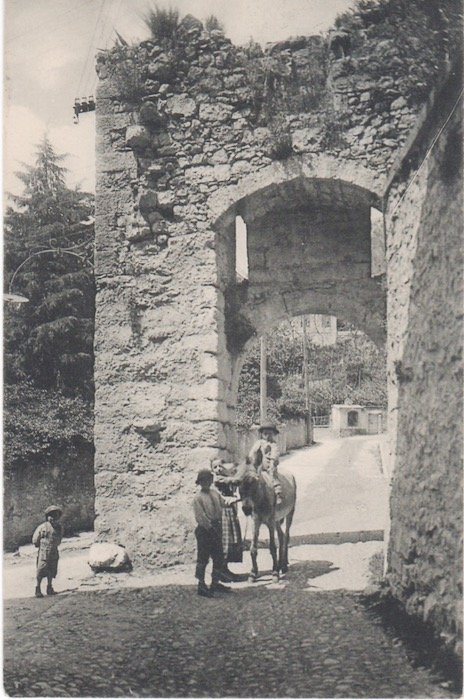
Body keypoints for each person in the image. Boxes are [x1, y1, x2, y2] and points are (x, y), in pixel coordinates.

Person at [193, 469, 233, 598]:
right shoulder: (198, 498)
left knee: (218, 557)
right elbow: (201, 517)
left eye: (208, 480)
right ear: (200, 483)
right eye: (204, 481)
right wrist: (210, 528)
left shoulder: (215, 493)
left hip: (216, 527)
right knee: (203, 558)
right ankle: (201, 585)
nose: (207, 483)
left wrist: (233, 501)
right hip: (205, 531)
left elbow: (223, 503)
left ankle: (215, 582)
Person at [211, 459, 243, 583]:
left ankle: (225, 569)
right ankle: (220, 572)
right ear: (212, 469)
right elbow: (234, 481)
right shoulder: (216, 479)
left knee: (230, 541)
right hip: (222, 513)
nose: (218, 469)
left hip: (230, 512)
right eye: (215, 467)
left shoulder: (225, 478)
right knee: (224, 542)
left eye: (220, 466)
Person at [248, 422, 283, 505]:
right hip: (258, 465)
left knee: (273, 475)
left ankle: (278, 492)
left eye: (270, 434)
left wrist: (272, 463)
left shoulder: (273, 444)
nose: (267, 436)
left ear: (273, 434)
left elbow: (274, 455)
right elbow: (252, 452)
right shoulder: (259, 443)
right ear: (262, 434)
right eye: (265, 434)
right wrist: (251, 460)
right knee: (249, 477)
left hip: (268, 466)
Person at [32, 505, 63, 598]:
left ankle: (49, 587)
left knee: (52, 570)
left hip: (53, 552)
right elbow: (35, 540)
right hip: (44, 553)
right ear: (47, 517)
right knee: (41, 570)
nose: (53, 518)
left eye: (56, 516)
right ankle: (38, 588)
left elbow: (59, 539)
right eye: (51, 516)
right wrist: (41, 544)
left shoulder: (59, 528)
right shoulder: (42, 527)